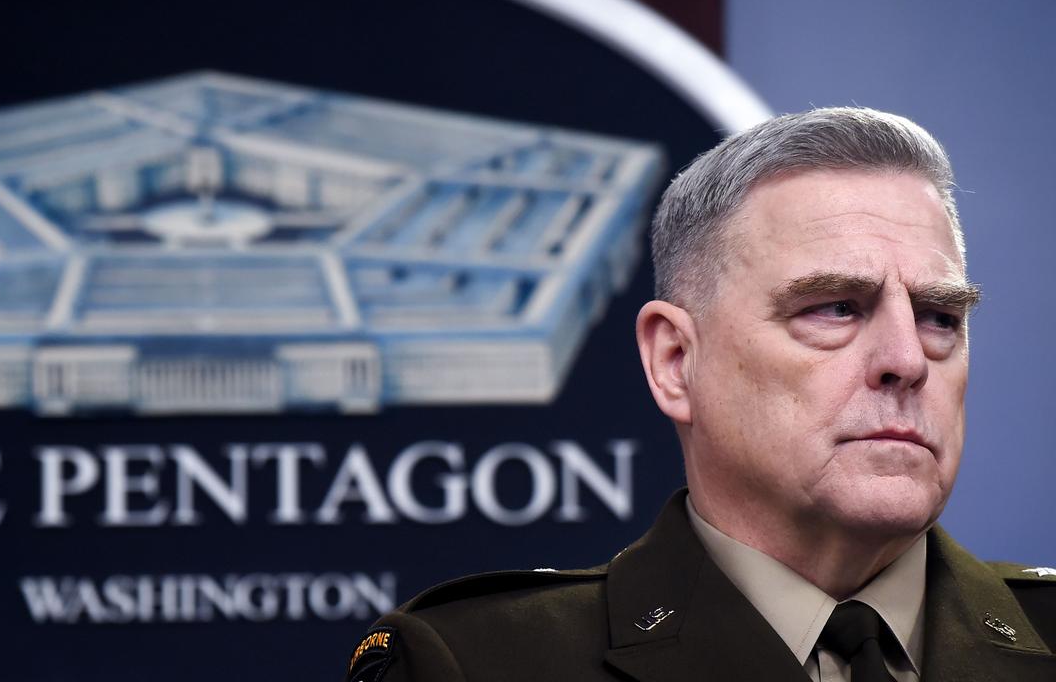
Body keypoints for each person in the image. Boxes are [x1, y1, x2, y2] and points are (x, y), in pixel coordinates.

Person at [343, 108, 1056, 682]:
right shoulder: (478, 663)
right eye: (836, 308)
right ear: (675, 360)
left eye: (940, 318)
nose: (906, 360)